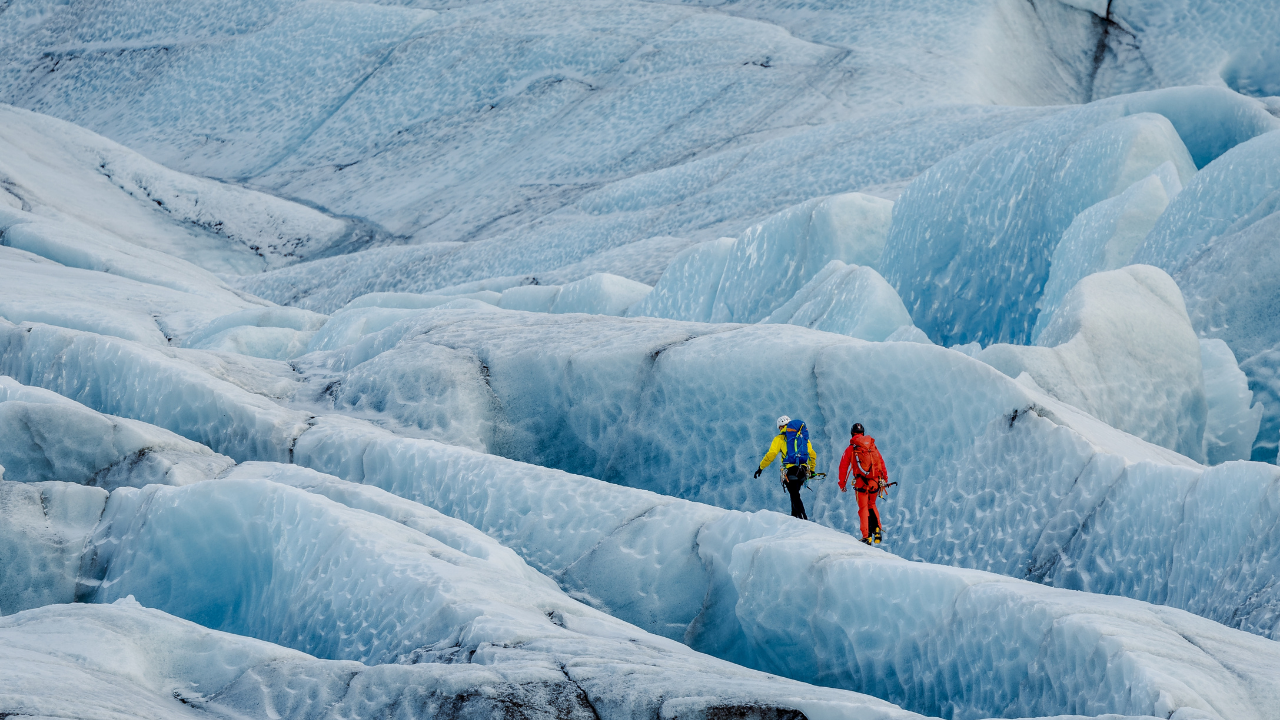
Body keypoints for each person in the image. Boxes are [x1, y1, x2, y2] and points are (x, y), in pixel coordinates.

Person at [754, 415, 815, 520]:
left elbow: (771, 454)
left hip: (791, 471)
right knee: (794, 495)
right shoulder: (802, 438)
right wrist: (812, 470)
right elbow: (812, 455)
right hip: (803, 471)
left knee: (795, 496)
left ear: (780, 427)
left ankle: (804, 520)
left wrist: (761, 467)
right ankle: (794, 518)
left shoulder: (780, 438)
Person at [838, 423, 888, 544]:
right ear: (863, 433)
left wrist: (842, 483)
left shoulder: (851, 448)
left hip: (861, 483)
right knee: (872, 504)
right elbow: (880, 461)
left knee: (863, 508)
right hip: (875, 481)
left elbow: (843, 466)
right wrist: (884, 478)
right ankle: (877, 529)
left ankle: (867, 536)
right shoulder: (872, 446)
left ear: (852, 433)